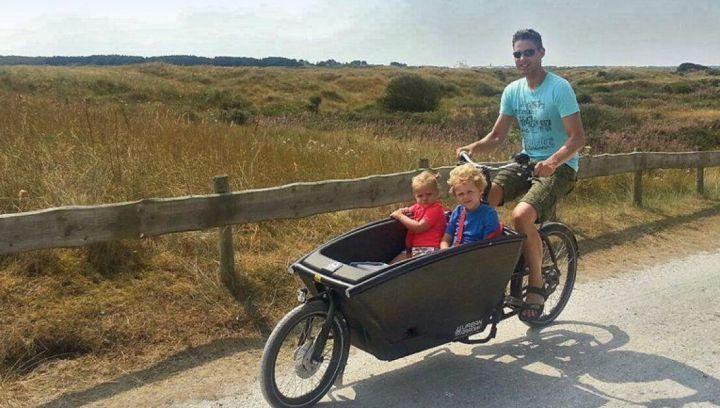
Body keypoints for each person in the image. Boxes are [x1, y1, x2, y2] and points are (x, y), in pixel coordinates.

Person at [456, 28, 586, 321]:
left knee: (520, 216)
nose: (523, 58)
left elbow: (577, 138)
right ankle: (489, 267)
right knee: (482, 200)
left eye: (529, 52)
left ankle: (537, 284)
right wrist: (473, 147)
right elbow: (497, 136)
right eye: (518, 53)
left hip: (560, 167)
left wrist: (553, 161)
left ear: (541, 52)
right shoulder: (513, 91)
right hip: (526, 163)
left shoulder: (559, 88)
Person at [389, 171, 447, 263]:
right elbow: (408, 211)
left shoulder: (435, 209)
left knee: (396, 269)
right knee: (391, 266)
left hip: (429, 249)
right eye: (420, 196)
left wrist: (400, 216)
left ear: (437, 193)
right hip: (414, 249)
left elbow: (419, 227)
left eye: (429, 194)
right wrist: (402, 211)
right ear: (415, 196)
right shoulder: (418, 207)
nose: (424, 198)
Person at [440, 164, 502, 249]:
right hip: (453, 254)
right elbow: (446, 239)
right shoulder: (458, 211)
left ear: (480, 190)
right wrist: (445, 251)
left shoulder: (489, 214)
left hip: (476, 255)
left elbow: (489, 246)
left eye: (470, 192)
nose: (465, 197)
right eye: (461, 194)